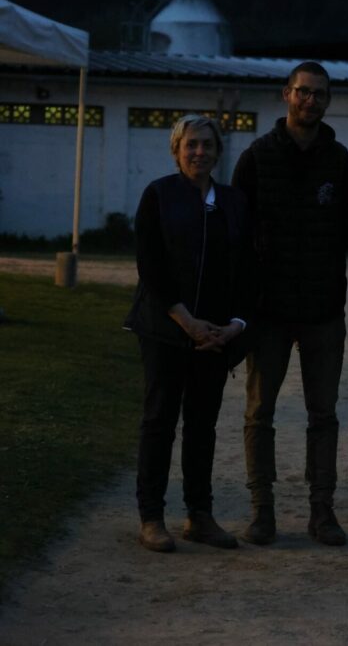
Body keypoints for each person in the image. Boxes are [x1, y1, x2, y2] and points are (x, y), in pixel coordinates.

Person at [231, 62, 348, 547]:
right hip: (269, 313)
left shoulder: (343, 162)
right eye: (303, 92)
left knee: (322, 414)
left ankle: (322, 513)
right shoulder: (257, 158)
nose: (311, 101)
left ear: (328, 100)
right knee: (259, 412)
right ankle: (263, 512)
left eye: (320, 94)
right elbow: (237, 241)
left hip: (324, 310)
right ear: (286, 94)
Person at [125, 114, 254, 552]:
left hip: (215, 337)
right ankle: (151, 518)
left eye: (207, 144)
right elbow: (151, 265)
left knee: (203, 425)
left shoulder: (235, 202)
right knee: (160, 420)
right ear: (176, 149)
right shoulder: (159, 195)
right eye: (191, 144)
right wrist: (186, 321)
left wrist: (234, 325)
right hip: (165, 330)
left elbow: (246, 271)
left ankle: (200, 515)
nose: (199, 151)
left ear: (219, 151)